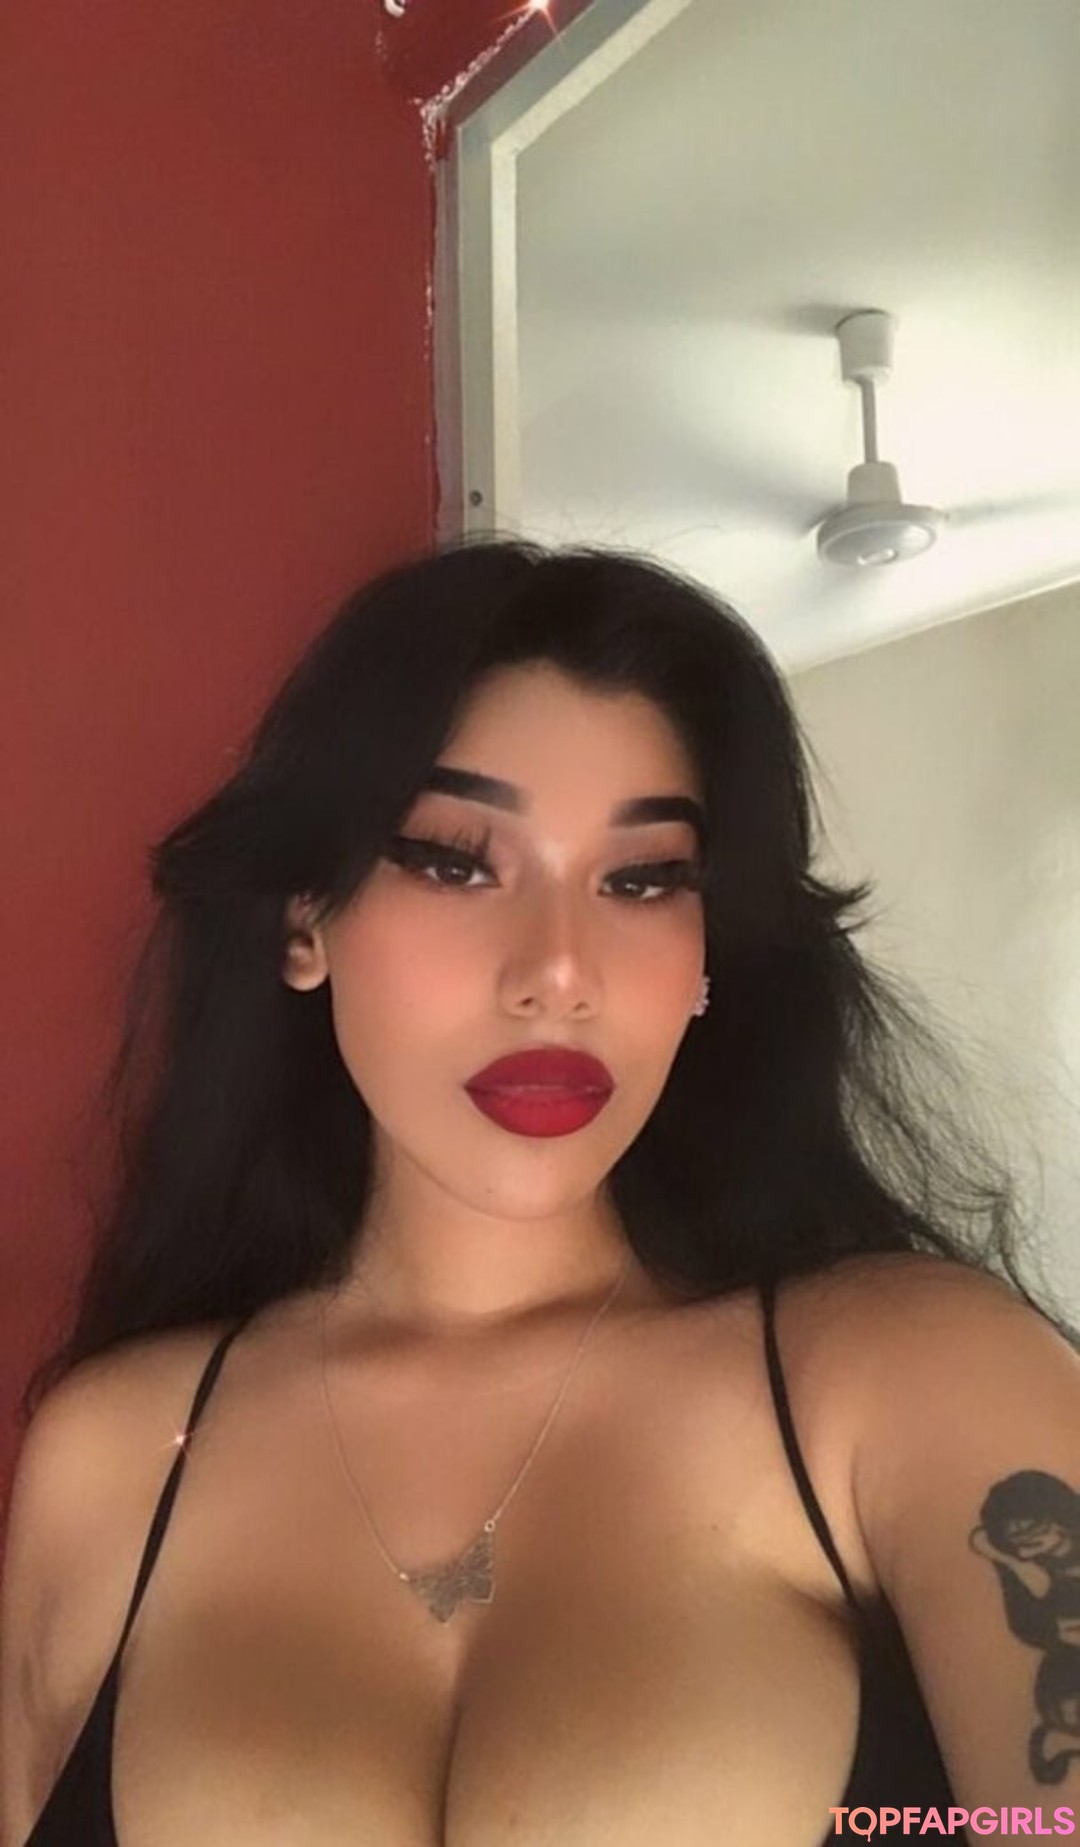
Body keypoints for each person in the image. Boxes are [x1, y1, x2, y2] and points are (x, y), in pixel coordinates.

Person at [2, 536, 1078, 1846]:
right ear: (304, 921)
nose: (559, 972)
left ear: (706, 957)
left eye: (642, 879)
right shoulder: (112, 1464)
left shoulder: (918, 1387)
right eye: (458, 860)